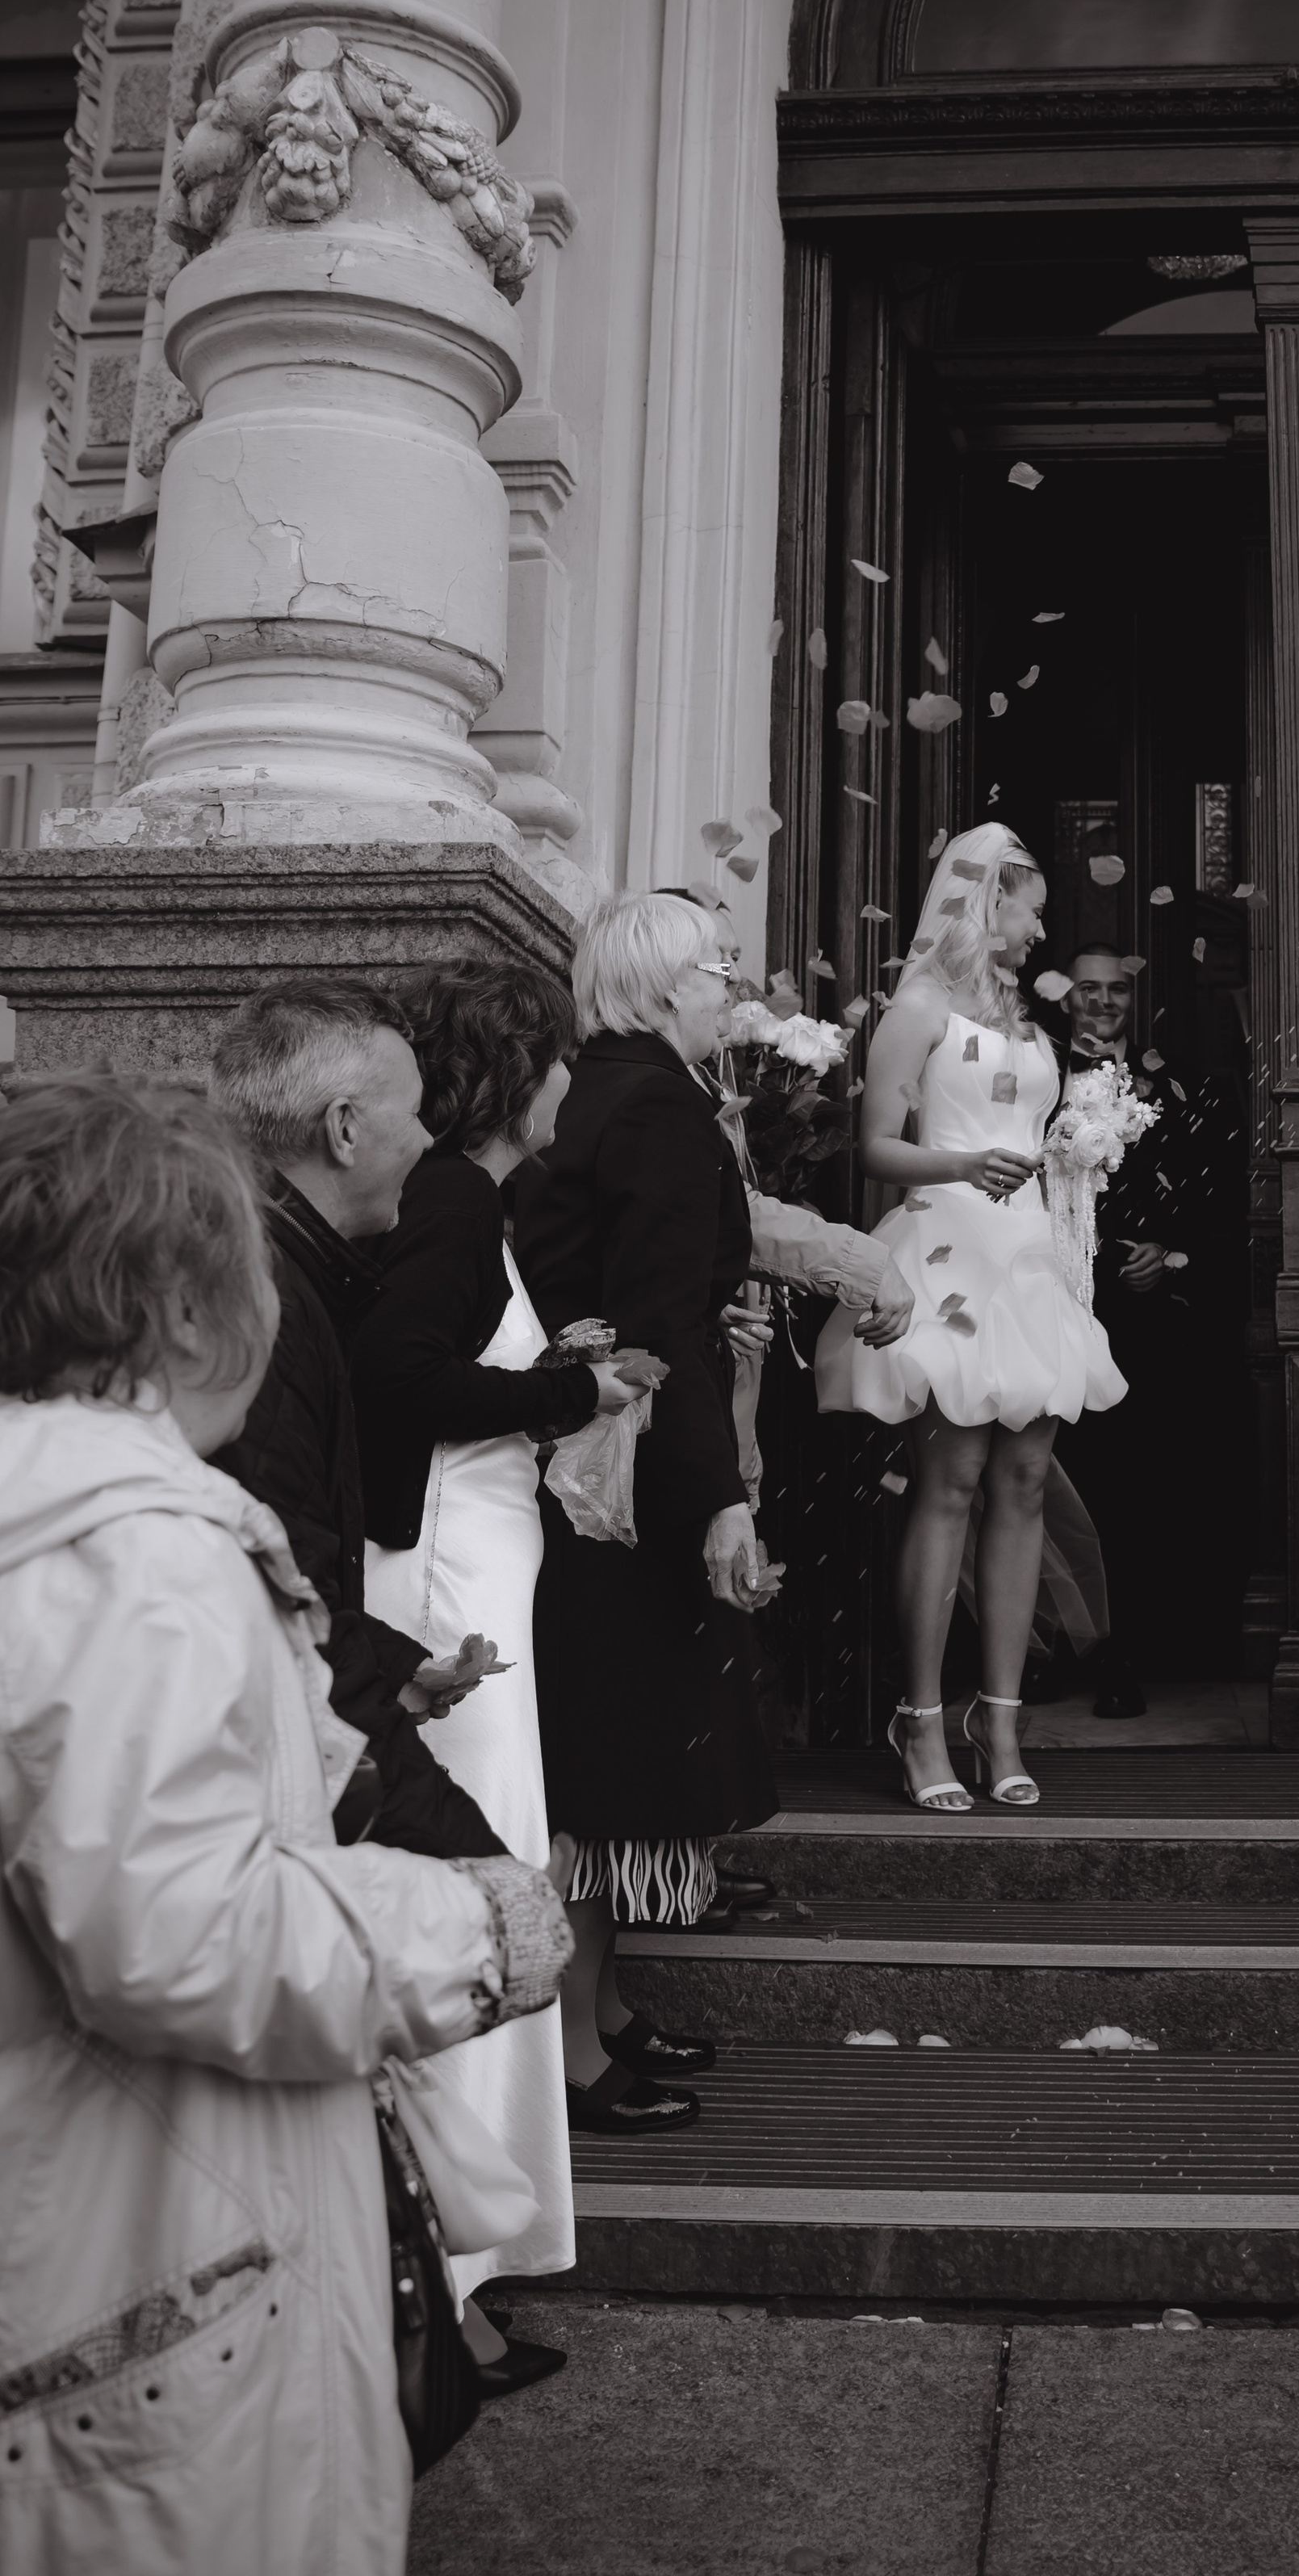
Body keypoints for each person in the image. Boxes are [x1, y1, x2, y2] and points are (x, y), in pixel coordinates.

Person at [0, 1079, 570, 2576]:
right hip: (156, 2287)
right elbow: (174, 1929)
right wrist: (472, 1925)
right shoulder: (138, 1558)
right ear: (187, 1317)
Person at [351, 962, 661, 2345]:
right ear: (512, 1071)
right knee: (475, 1891)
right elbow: (405, 1376)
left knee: (498, 1874)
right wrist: (571, 1389)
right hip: (451, 1596)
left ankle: (477, 2249)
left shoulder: (475, 1204)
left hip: (483, 1571)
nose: (568, 1092)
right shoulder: (457, 1207)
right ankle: (450, 2276)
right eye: (559, 1066)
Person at [515, 892, 774, 2129]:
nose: (735, 990)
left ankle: (605, 2011)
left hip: (591, 1448)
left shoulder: (601, 1089)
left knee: (606, 1757)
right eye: (720, 970)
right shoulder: (662, 1106)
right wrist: (720, 1500)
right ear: (666, 989)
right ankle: (575, 2046)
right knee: (608, 1764)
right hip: (622, 1474)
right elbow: (662, 1320)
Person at [817, 824, 1125, 1812]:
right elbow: (872, 1148)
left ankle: (1001, 1713)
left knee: (1027, 1477)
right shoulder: (916, 1010)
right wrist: (962, 1164)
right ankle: (919, 1713)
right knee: (949, 1478)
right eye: (1029, 907)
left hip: (1025, 1250)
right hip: (947, 1245)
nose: (1040, 928)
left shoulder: (1033, 1029)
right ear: (985, 900)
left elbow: (1026, 1130)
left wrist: (1079, 1149)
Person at [206, 976, 511, 1864]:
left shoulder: (280, 1272)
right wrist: (481, 1875)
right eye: (413, 1113)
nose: (427, 1139)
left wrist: (387, 1657)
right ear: (344, 1129)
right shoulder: (262, 1304)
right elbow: (283, 1609)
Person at [1049, 944, 1247, 1716]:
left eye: (1116, 990)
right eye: (1087, 990)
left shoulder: (1189, 1088)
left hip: (1155, 1329)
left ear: (1139, 1000)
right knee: (1053, 1482)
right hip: (1058, 1311)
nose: (1101, 1003)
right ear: (1066, 1001)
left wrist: (1173, 1257)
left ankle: (1124, 1656)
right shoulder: (1038, 1087)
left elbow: (1225, 1210)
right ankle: (1043, 1647)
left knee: (1138, 1492)